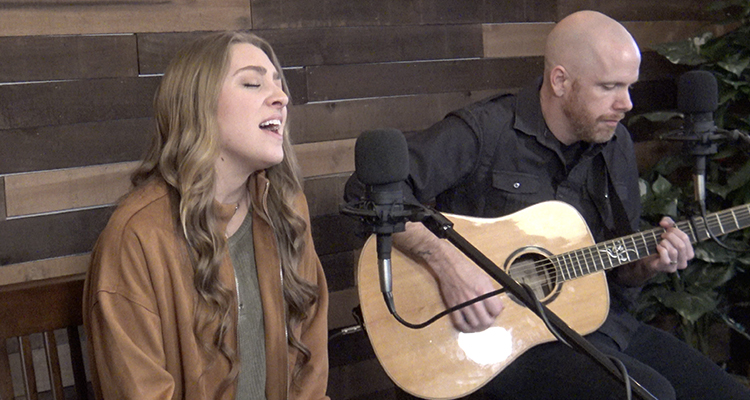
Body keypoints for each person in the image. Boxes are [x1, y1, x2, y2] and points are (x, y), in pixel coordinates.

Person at [345, 10, 750, 400]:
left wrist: (646, 265)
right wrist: (448, 265)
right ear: (560, 81)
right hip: (498, 338)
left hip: (595, 326)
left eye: (629, 87)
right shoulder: (485, 131)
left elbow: (617, 268)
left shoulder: (616, 143)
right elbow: (366, 192)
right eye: (609, 87)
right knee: (649, 394)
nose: (626, 103)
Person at [83, 31, 329, 400]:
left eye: (279, 84)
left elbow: (310, 374)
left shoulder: (289, 209)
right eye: (252, 83)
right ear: (197, 106)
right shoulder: (135, 237)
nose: (281, 97)